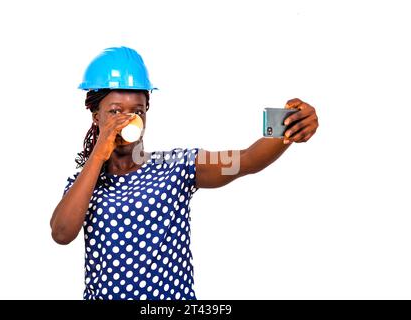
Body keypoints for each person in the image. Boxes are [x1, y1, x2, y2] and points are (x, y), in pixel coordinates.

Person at [50, 46, 319, 300]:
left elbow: (246, 160)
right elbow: (61, 233)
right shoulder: (84, 184)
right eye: (115, 111)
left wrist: (290, 125)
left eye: (137, 111)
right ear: (96, 116)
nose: (127, 119)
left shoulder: (175, 165)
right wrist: (99, 152)